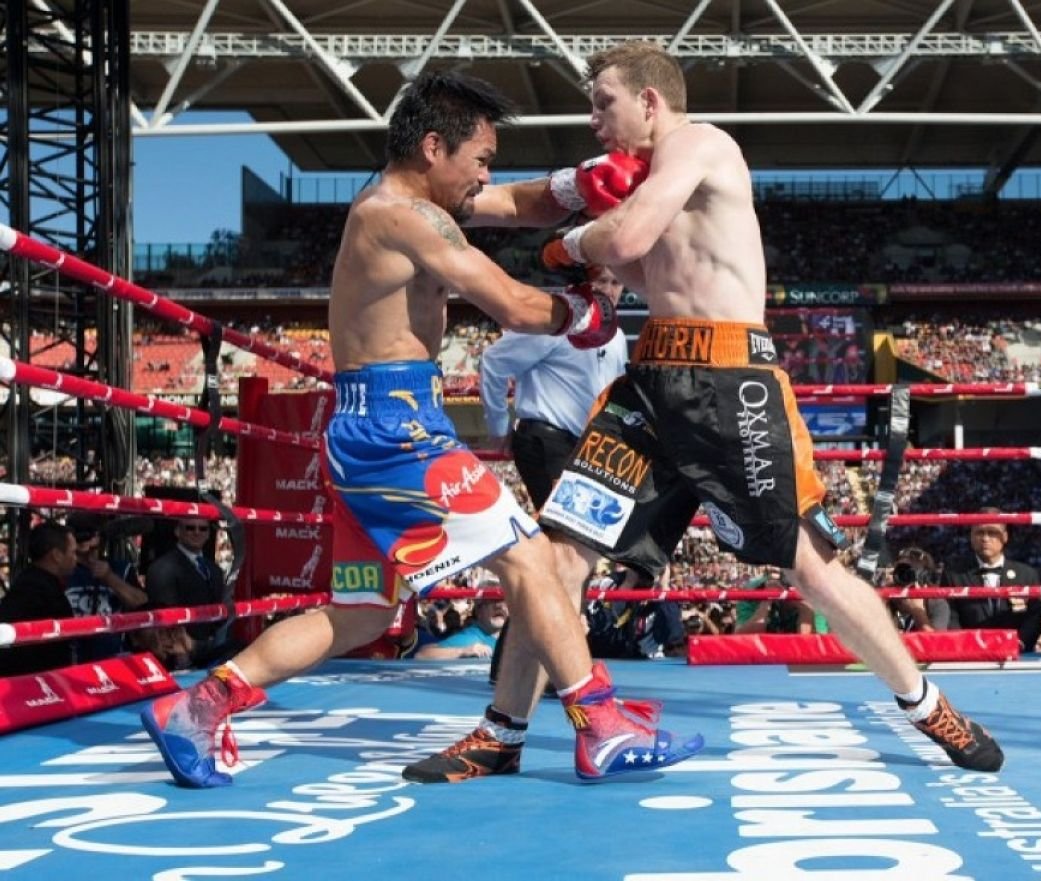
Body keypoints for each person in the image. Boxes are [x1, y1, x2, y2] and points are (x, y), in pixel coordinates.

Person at [437, 40, 1003, 775]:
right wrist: (441, 195)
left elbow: (621, 237)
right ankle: (502, 732)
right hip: (651, 382)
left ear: (649, 101)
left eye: (603, 102)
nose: (593, 119)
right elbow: (597, 239)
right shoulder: (639, 179)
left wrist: (566, 245)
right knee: (561, 550)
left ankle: (930, 706)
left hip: (728, 380)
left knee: (811, 565)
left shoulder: (701, 145)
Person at [140, 70, 702, 789]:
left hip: (373, 425)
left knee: (361, 614)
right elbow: (508, 302)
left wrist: (576, 184)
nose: (486, 176)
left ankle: (197, 704)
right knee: (530, 562)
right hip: (396, 429)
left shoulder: (413, 202)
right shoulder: (401, 216)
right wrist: (578, 314)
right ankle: (601, 723)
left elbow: (513, 204)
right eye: (480, 159)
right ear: (435, 147)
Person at [479, 263, 629, 682]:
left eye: (616, 283)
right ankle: (548, 669)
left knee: (571, 556)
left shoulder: (614, 335)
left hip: (585, 446)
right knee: (567, 553)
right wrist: (496, 428)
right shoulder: (555, 318)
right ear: (581, 283)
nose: (611, 291)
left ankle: (538, 667)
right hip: (546, 440)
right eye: (602, 281)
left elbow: (613, 395)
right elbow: (493, 361)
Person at [942, 511, 1041, 651]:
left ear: (1005, 536)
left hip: (1017, 655)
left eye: (992, 532)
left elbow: (1034, 617)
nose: (985, 538)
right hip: (969, 655)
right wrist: (965, 646)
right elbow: (951, 617)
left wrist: (1019, 643)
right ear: (971, 537)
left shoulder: (1026, 574)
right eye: (979, 533)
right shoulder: (953, 575)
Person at [145, 517, 236, 668]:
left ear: (208, 534)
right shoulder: (162, 568)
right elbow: (165, 615)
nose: (196, 532)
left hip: (211, 649)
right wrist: (182, 652)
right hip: (180, 654)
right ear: (177, 531)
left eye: (202, 529)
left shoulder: (214, 570)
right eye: (190, 528)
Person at [66, 512, 148, 662]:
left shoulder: (121, 568)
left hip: (113, 656)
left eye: (90, 533)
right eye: (78, 532)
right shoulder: (61, 570)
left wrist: (109, 578)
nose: (84, 539)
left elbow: (142, 604)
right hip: (72, 657)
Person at [0, 521, 78, 677]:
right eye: (72, 552)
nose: (76, 558)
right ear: (56, 555)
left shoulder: (35, 583)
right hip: (34, 685)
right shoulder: (32, 589)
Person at [415, 596, 508, 660]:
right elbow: (422, 654)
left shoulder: (514, 637)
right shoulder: (471, 638)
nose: (499, 606)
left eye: (504, 601)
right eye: (491, 601)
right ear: (479, 611)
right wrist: (463, 651)